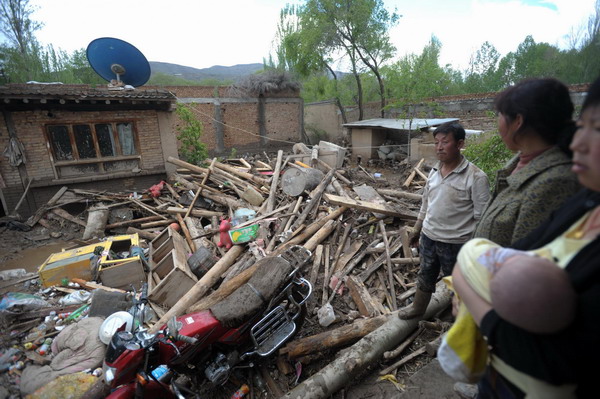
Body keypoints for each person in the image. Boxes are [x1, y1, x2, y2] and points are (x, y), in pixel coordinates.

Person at [451, 76, 600, 398]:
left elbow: (526, 279)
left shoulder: (555, 182)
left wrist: (469, 287)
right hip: (500, 349)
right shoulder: (523, 167)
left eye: (595, 128)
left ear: (518, 121)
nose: (579, 142)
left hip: (520, 364)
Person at [473, 78, 581, 247]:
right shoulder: (519, 166)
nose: (497, 122)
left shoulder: (555, 182)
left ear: (517, 121)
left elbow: (526, 261)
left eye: (499, 115)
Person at [399, 122, 490, 319]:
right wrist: (417, 229)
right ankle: (418, 308)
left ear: (459, 144)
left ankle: (459, 322)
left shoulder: (476, 177)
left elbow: (482, 218)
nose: (439, 147)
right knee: (425, 274)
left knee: (459, 285)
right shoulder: (433, 172)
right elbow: (426, 203)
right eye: (436, 142)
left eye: (445, 142)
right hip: (429, 237)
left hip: (456, 244)